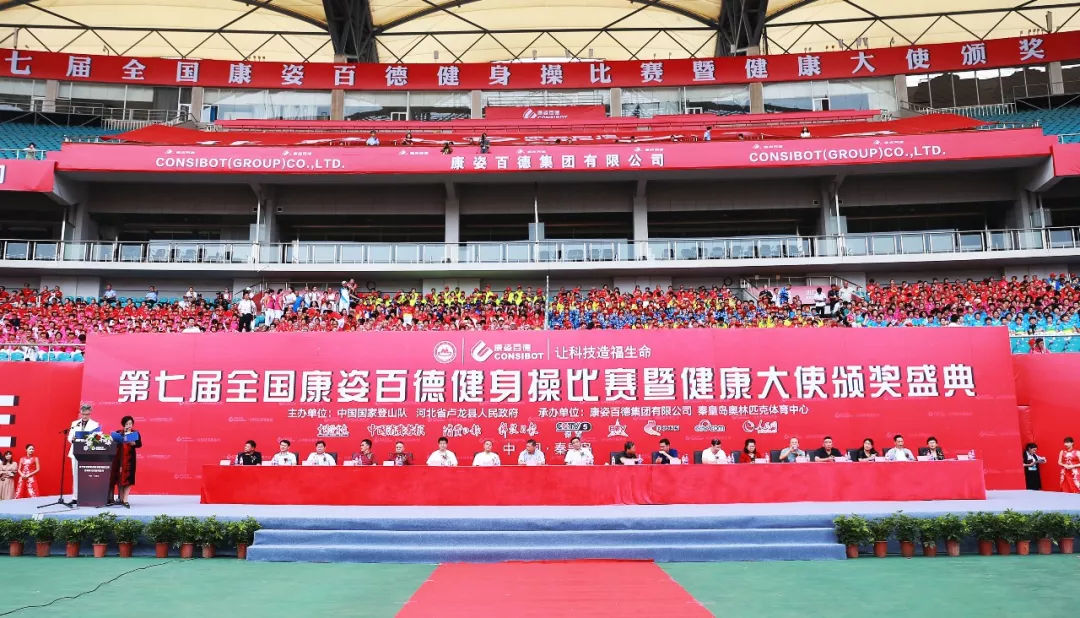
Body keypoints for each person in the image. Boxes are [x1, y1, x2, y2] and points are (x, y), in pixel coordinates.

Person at [68, 403, 101, 503]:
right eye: (83, 414)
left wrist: (91, 438)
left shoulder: (95, 424)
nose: (85, 416)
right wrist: (72, 439)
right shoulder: (75, 423)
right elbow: (69, 437)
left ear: (90, 413)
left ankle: (87, 496)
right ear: (80, 413)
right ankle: (75, 497)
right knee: (75, 475)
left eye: (87, 414)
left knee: (87, 474)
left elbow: (98, 438)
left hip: (87, 452)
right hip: (75, 451)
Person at [108, 415, 142, 506]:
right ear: (123, 425)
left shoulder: (135, 433)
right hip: (118, 459)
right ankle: (119, 498)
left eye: (130, 423)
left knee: (129, 479)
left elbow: (139, 444)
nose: (129, 425)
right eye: (127, 424)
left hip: (130, 459)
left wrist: (133, 443)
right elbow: (112, 442)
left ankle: (125, 499)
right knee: (119, 478)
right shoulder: (118, 432)